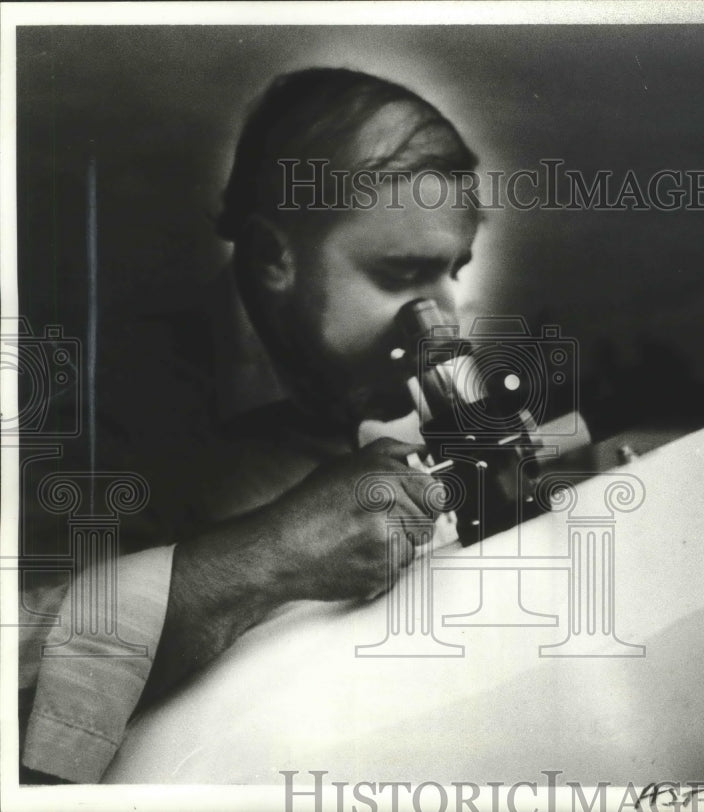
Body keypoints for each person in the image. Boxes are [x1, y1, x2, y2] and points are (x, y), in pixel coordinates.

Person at [19, 67, 482, 783]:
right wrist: (276, 553)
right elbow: (20, 677)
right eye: (400, 275)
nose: (443, 316)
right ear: (273, 258)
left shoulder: (341, 369)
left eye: (454, 271)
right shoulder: (91, 411)